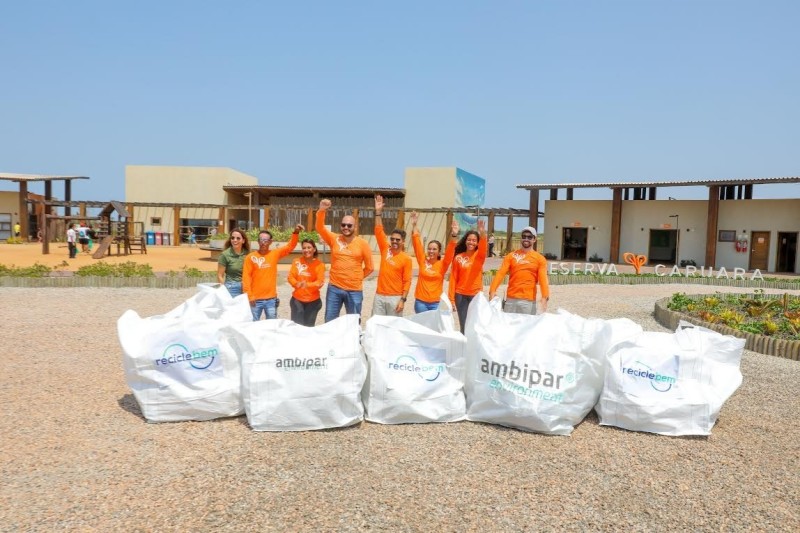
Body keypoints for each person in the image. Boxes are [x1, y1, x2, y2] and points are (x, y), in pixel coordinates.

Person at [315, 199, 374, 322]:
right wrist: (321, 210)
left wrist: (356, 278)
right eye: (343, 225)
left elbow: (370, 267)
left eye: (349, 225)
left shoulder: (363, 244)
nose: (346, 227)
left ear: (355, 227)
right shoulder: (334, 239)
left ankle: (353, 342)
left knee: (353, 323)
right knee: (330, 322)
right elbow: (319, 228)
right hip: (334, 289)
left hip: (354, 291)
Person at [243, 225, 302, 320]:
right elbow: (246, 278)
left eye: (266, 240)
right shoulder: (250, 257)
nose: (263, 242)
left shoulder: (274, 254)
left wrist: (296, 233)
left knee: (272, 327)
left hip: (271, 299)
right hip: (255, 300)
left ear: (270, 242)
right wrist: (249, 296)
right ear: (258, 241)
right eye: (261, 239)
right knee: (252, 327)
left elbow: (290, 246)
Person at [489, 226, 550, 314]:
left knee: (527, 327)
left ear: (534, 239)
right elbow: (500, 273)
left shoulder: (540, 259)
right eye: (524, 236)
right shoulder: (511, 256)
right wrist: (492, 290)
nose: (526, 239)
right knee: (508, 326)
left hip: (528, 301)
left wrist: (545, 296)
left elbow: (543, 279)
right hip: (511, 299)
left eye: (529, 237)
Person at [409, 211, 458, 313]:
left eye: (434, 249)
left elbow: (450, 252)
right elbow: (417, 244)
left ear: (439, 251)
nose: (431, 251)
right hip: (421, 302)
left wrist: (454, 235)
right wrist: (414, 225)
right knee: (422, 328)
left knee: (434, 329)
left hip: (436, 303)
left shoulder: (442, 265)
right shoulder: (422, 261)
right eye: (429, 249)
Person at [372, 195, 412, 316]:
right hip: (379, 296)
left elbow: (407, 281)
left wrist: (402, 300)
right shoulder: (385, 249)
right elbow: (379, 230)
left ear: (403, 241)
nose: (394, 241)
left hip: (395, 298)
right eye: (393, 239)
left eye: (398, 240)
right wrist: (378, 212)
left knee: (393, 328)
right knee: (377, 326)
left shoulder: (406, 259)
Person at [448, 218, 488, 334]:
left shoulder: (479, 256)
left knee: (476, 325)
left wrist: (482, 233)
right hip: (460, 296)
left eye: (474, 240)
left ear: (477, 243)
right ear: (465, 241)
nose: (471, 242)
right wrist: (451, 299)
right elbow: (453, 278)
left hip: (475, 295)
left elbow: (484, 247)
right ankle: (464, 349)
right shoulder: (458, 257)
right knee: (464, 325)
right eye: (469, 240)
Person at [288, 239, 326, 326]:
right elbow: (291, 277)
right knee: (296, 326)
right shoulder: (296, 261)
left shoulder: (320, 265)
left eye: (309, 247)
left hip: (313, 301)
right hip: (297, 300)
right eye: (304, 248)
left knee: (308, 327)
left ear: (314, 249)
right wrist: (296, 283)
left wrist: (307, 285)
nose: (306, 250)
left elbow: (319, 282)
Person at [217, 228, 250, 297]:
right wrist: (223, 291)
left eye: (238, 238)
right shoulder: (225, 255)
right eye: (232, 238)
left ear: (243, 241)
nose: (235, 240)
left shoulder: (248, 254)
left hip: (247, 287)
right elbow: (220, 275)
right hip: (231, 288)